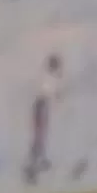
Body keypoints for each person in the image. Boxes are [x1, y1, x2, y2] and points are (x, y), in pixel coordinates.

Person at [24, 53, 65, 183]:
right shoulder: (48, 77)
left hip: (41, 106)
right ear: (54, 66)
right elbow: (46, 93)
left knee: (41, 135)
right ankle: (33, 164)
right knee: (39, 136)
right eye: (58, 66)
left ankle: (39, 159)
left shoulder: (48, 77)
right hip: (41, 106)